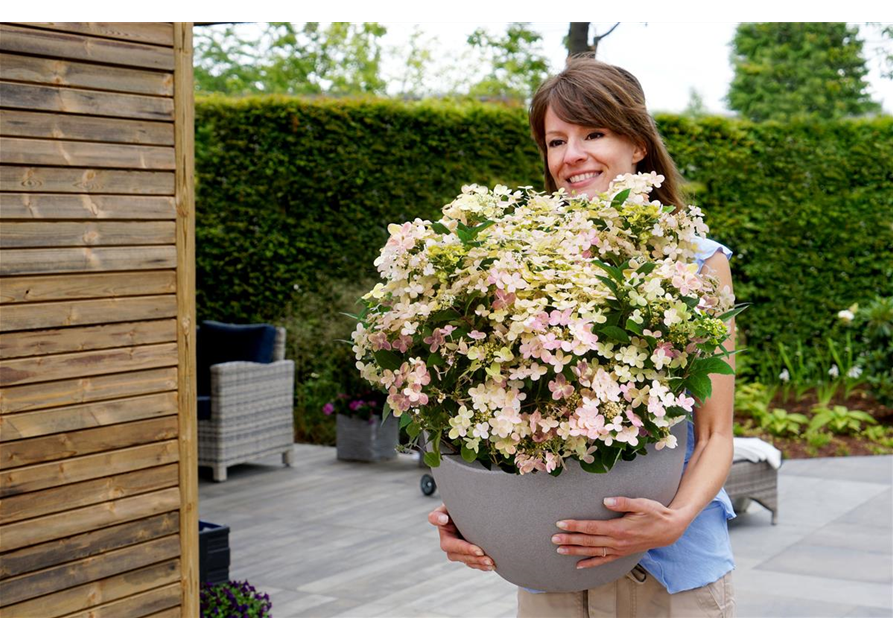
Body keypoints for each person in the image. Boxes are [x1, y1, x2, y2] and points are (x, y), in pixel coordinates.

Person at [428, 55, 738, 620]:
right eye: (555, 141)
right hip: (550, 568)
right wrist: (467, 517)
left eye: (593, 133)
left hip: (668, 570)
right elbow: (483, 416)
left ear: (638, 144)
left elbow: (717, 433)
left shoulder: (698, 263)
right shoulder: (510, 266)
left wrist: (674, 520)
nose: (571, 156)